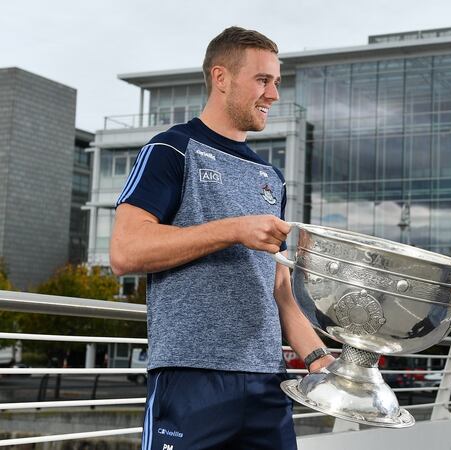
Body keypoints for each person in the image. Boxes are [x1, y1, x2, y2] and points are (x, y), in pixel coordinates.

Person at [110, 26, 334, 450]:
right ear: (221, 78)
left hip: (269, 383)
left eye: (277, 83)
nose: (274, 95)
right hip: (191, 379)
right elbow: (125, 252)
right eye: (263, 80)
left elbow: (281, 291)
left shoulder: (271, 177)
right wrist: (234, 229)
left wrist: (318, 357)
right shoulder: (172, 149)